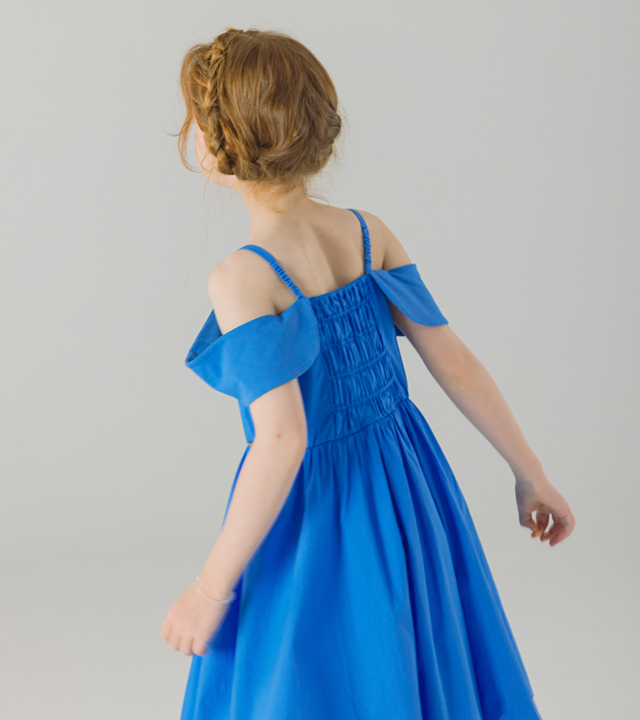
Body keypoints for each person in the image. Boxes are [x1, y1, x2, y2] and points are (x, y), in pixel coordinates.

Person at [160, 26, 575, 720]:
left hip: (316, 506)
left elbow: (283, 441)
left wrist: (209, 588)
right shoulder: (366, 231)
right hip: (407, 485)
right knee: (401, 652)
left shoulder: (242, 278)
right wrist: (529, 472)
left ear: (214, 143)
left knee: (309, 673)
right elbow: (456, 363)